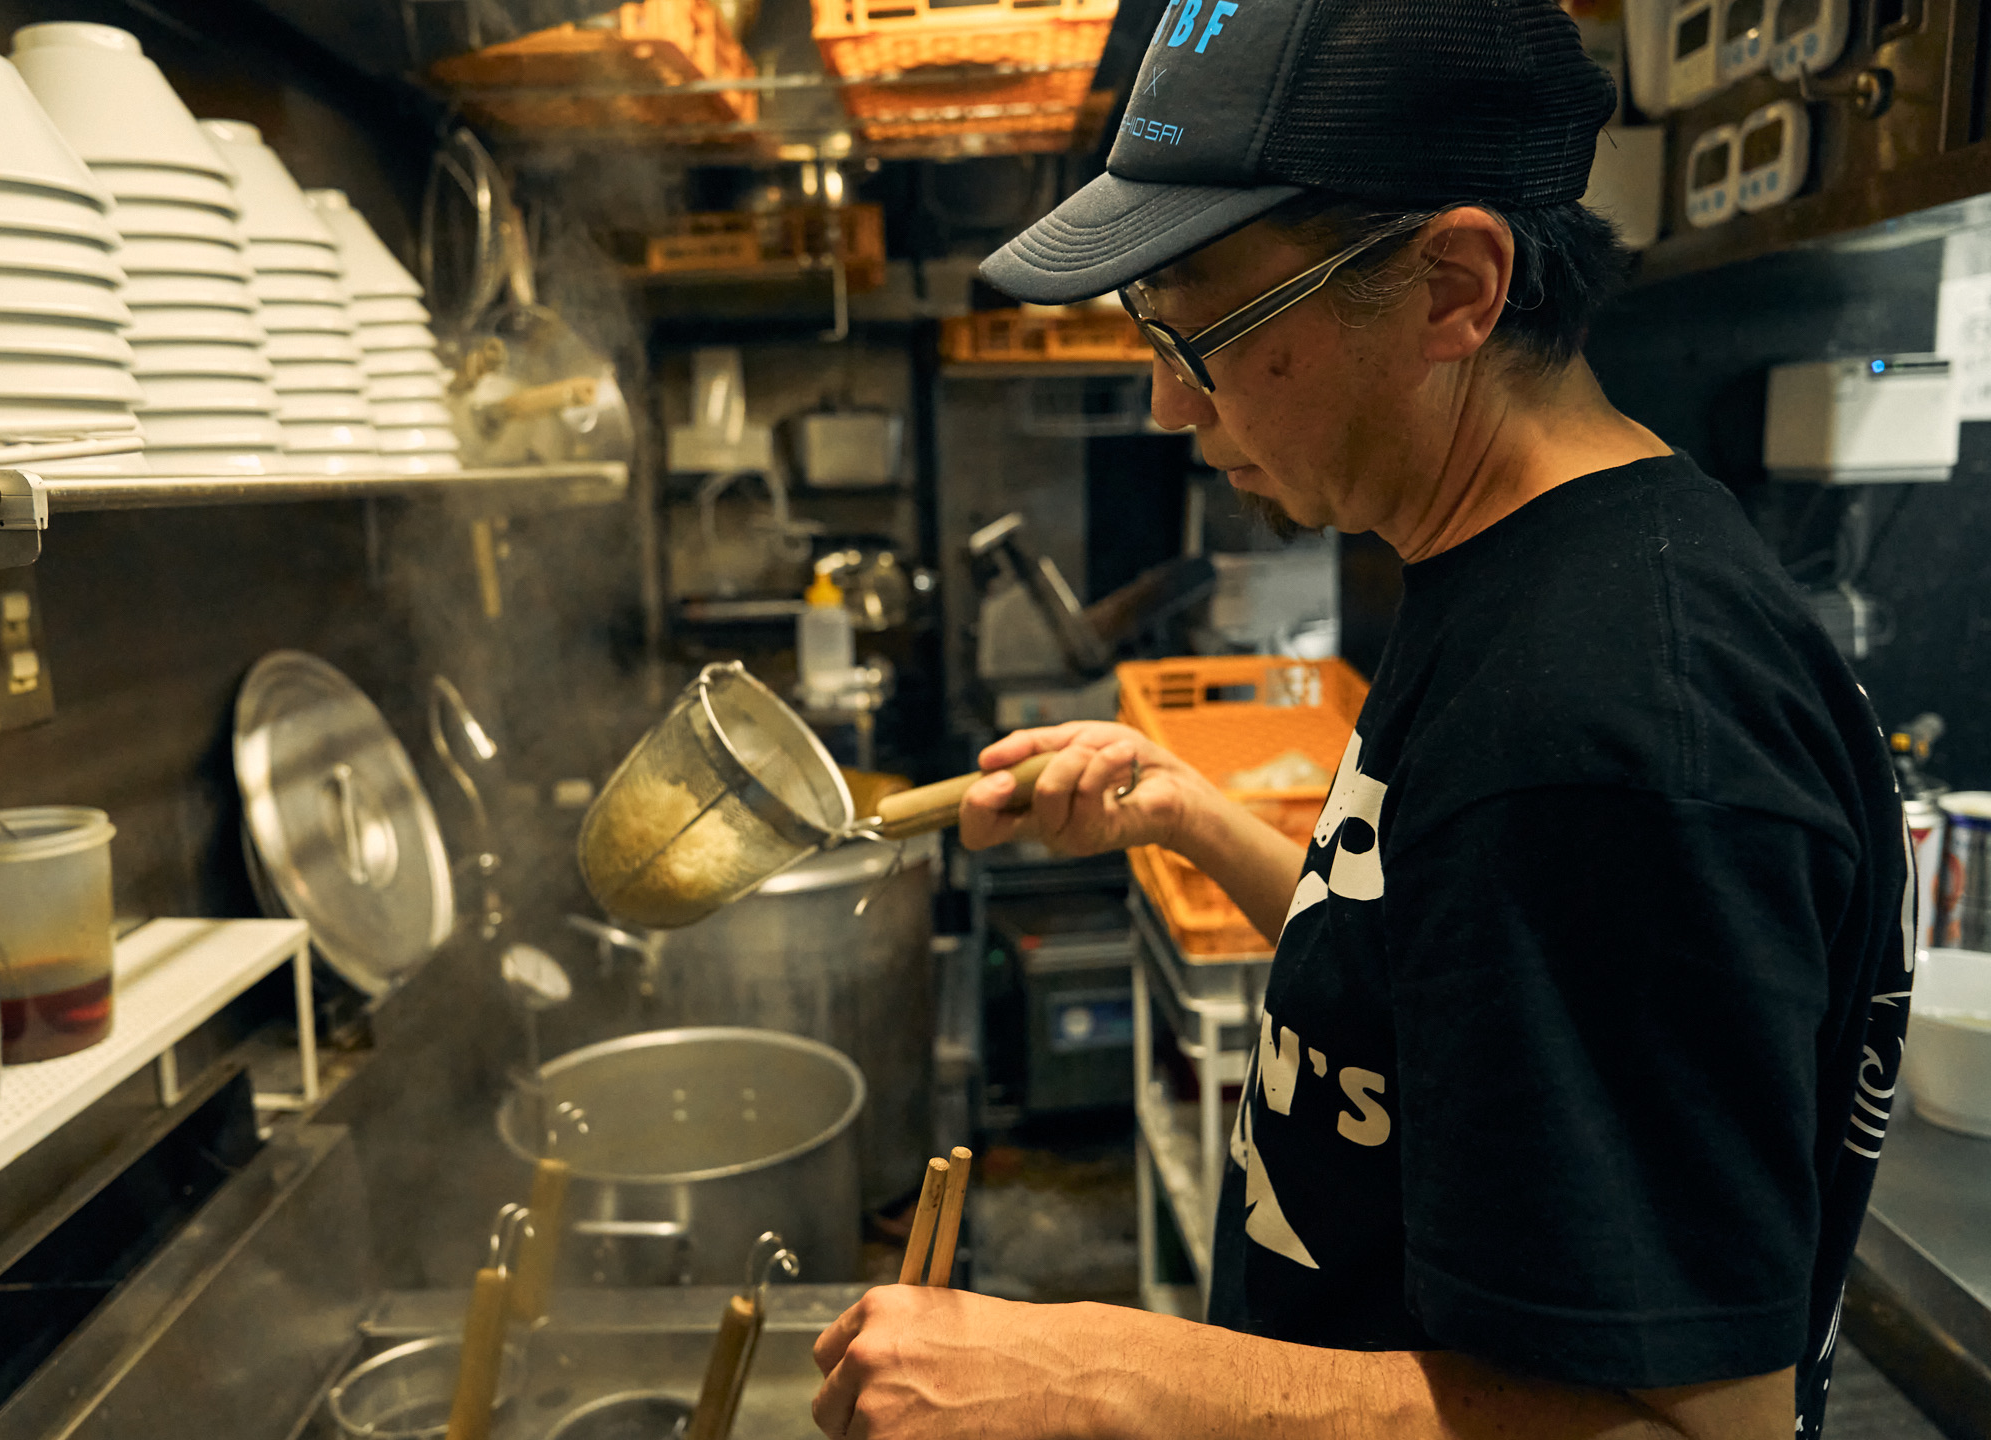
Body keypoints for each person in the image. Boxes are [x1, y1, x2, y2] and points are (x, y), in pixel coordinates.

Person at [808, 0, 1913, 1436]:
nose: (1167, 404)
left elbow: (1700, 1432)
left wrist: (1100, 1377)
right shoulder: (1513, 571)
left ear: (1454, 287)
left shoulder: (1610, 723)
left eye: (1201, 329)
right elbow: (1445, 995)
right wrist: (1190, 816)